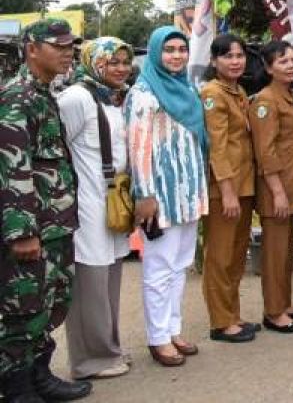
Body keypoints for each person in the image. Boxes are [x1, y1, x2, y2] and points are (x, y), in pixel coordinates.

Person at [0, 19, 92, 402]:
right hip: (32, 226)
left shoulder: (44, 93)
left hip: (54, 224)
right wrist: (22, 231)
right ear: (31, 49)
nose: (68, 51)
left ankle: (39, 376)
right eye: (58, 45)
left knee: (49, 304)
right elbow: (11, 166)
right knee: (21, 309)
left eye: (71, 45)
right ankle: (15, 387)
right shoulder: (16, 97)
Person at [127, 26, 209, 367]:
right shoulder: (144, 92)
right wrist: (144, 195)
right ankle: (157, 338)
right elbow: (138, 146)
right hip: (159, 196)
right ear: (155, 52)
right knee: (159, 268)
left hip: (188, 193)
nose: (176, 55)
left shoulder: (187, 88)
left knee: (179, 266)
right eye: (169, 49)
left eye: (181, 49)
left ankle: (173, 329)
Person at [58, 37, 134, 381]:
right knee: (90, 281)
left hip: (113, 200)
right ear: (94, 62)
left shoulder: (114, 99)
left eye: (124, 62)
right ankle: (89, 360)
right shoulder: (77, 98)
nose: (120, 69)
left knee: (109, 278)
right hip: (87, 203)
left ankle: (108, 349)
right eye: (112, 62)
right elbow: (58, 150)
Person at [249, 40, 293, 334]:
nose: (290, 66)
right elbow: (265, 150)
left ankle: (284, 303)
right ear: (268, 67)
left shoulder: (287, 95)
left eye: (292, 60)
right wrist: (276, 190)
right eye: (282, 61)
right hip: (276, 185)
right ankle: (273, 312)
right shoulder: (265, 101)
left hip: (292, 183)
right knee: (275, 252)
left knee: (287, 248)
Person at [199, 35, 258, 343]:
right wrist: (228, 190)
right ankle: (220, 322)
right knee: (220, 256)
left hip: (244, 183)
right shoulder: (213, 93)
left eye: (239, 55)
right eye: (227, 56)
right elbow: (217, 147)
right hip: (225, 188)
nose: (235, 61)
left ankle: (232, 314)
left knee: (236, 255)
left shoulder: (238, 90)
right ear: (214, 61)